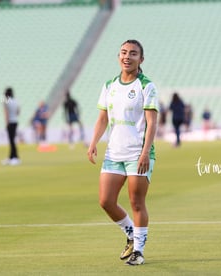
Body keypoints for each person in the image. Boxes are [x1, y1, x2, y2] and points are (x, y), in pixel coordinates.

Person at [87, 39, 158, 266]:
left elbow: (152, 122)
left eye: (133, 53)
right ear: (119, 56)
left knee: (137, 202)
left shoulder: (146, 86)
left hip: (138, 154)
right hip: (113, 154)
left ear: (141, 59)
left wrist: (145, 153)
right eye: (124, 52)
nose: (127, 56)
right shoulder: (109, 85)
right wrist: (93, 143)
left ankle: (139, 250)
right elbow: (102, 118)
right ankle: (130, 234)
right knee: (106, 201)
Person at [2, 87, 20, 165]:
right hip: (15, 121)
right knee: (12, 140)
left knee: (11, 141)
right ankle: (11, 157)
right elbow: (18, 112)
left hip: (10, 122)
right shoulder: (16, 101)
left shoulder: (6, 101)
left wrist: (6, 123)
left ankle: (15, 157)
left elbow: (6, 114)